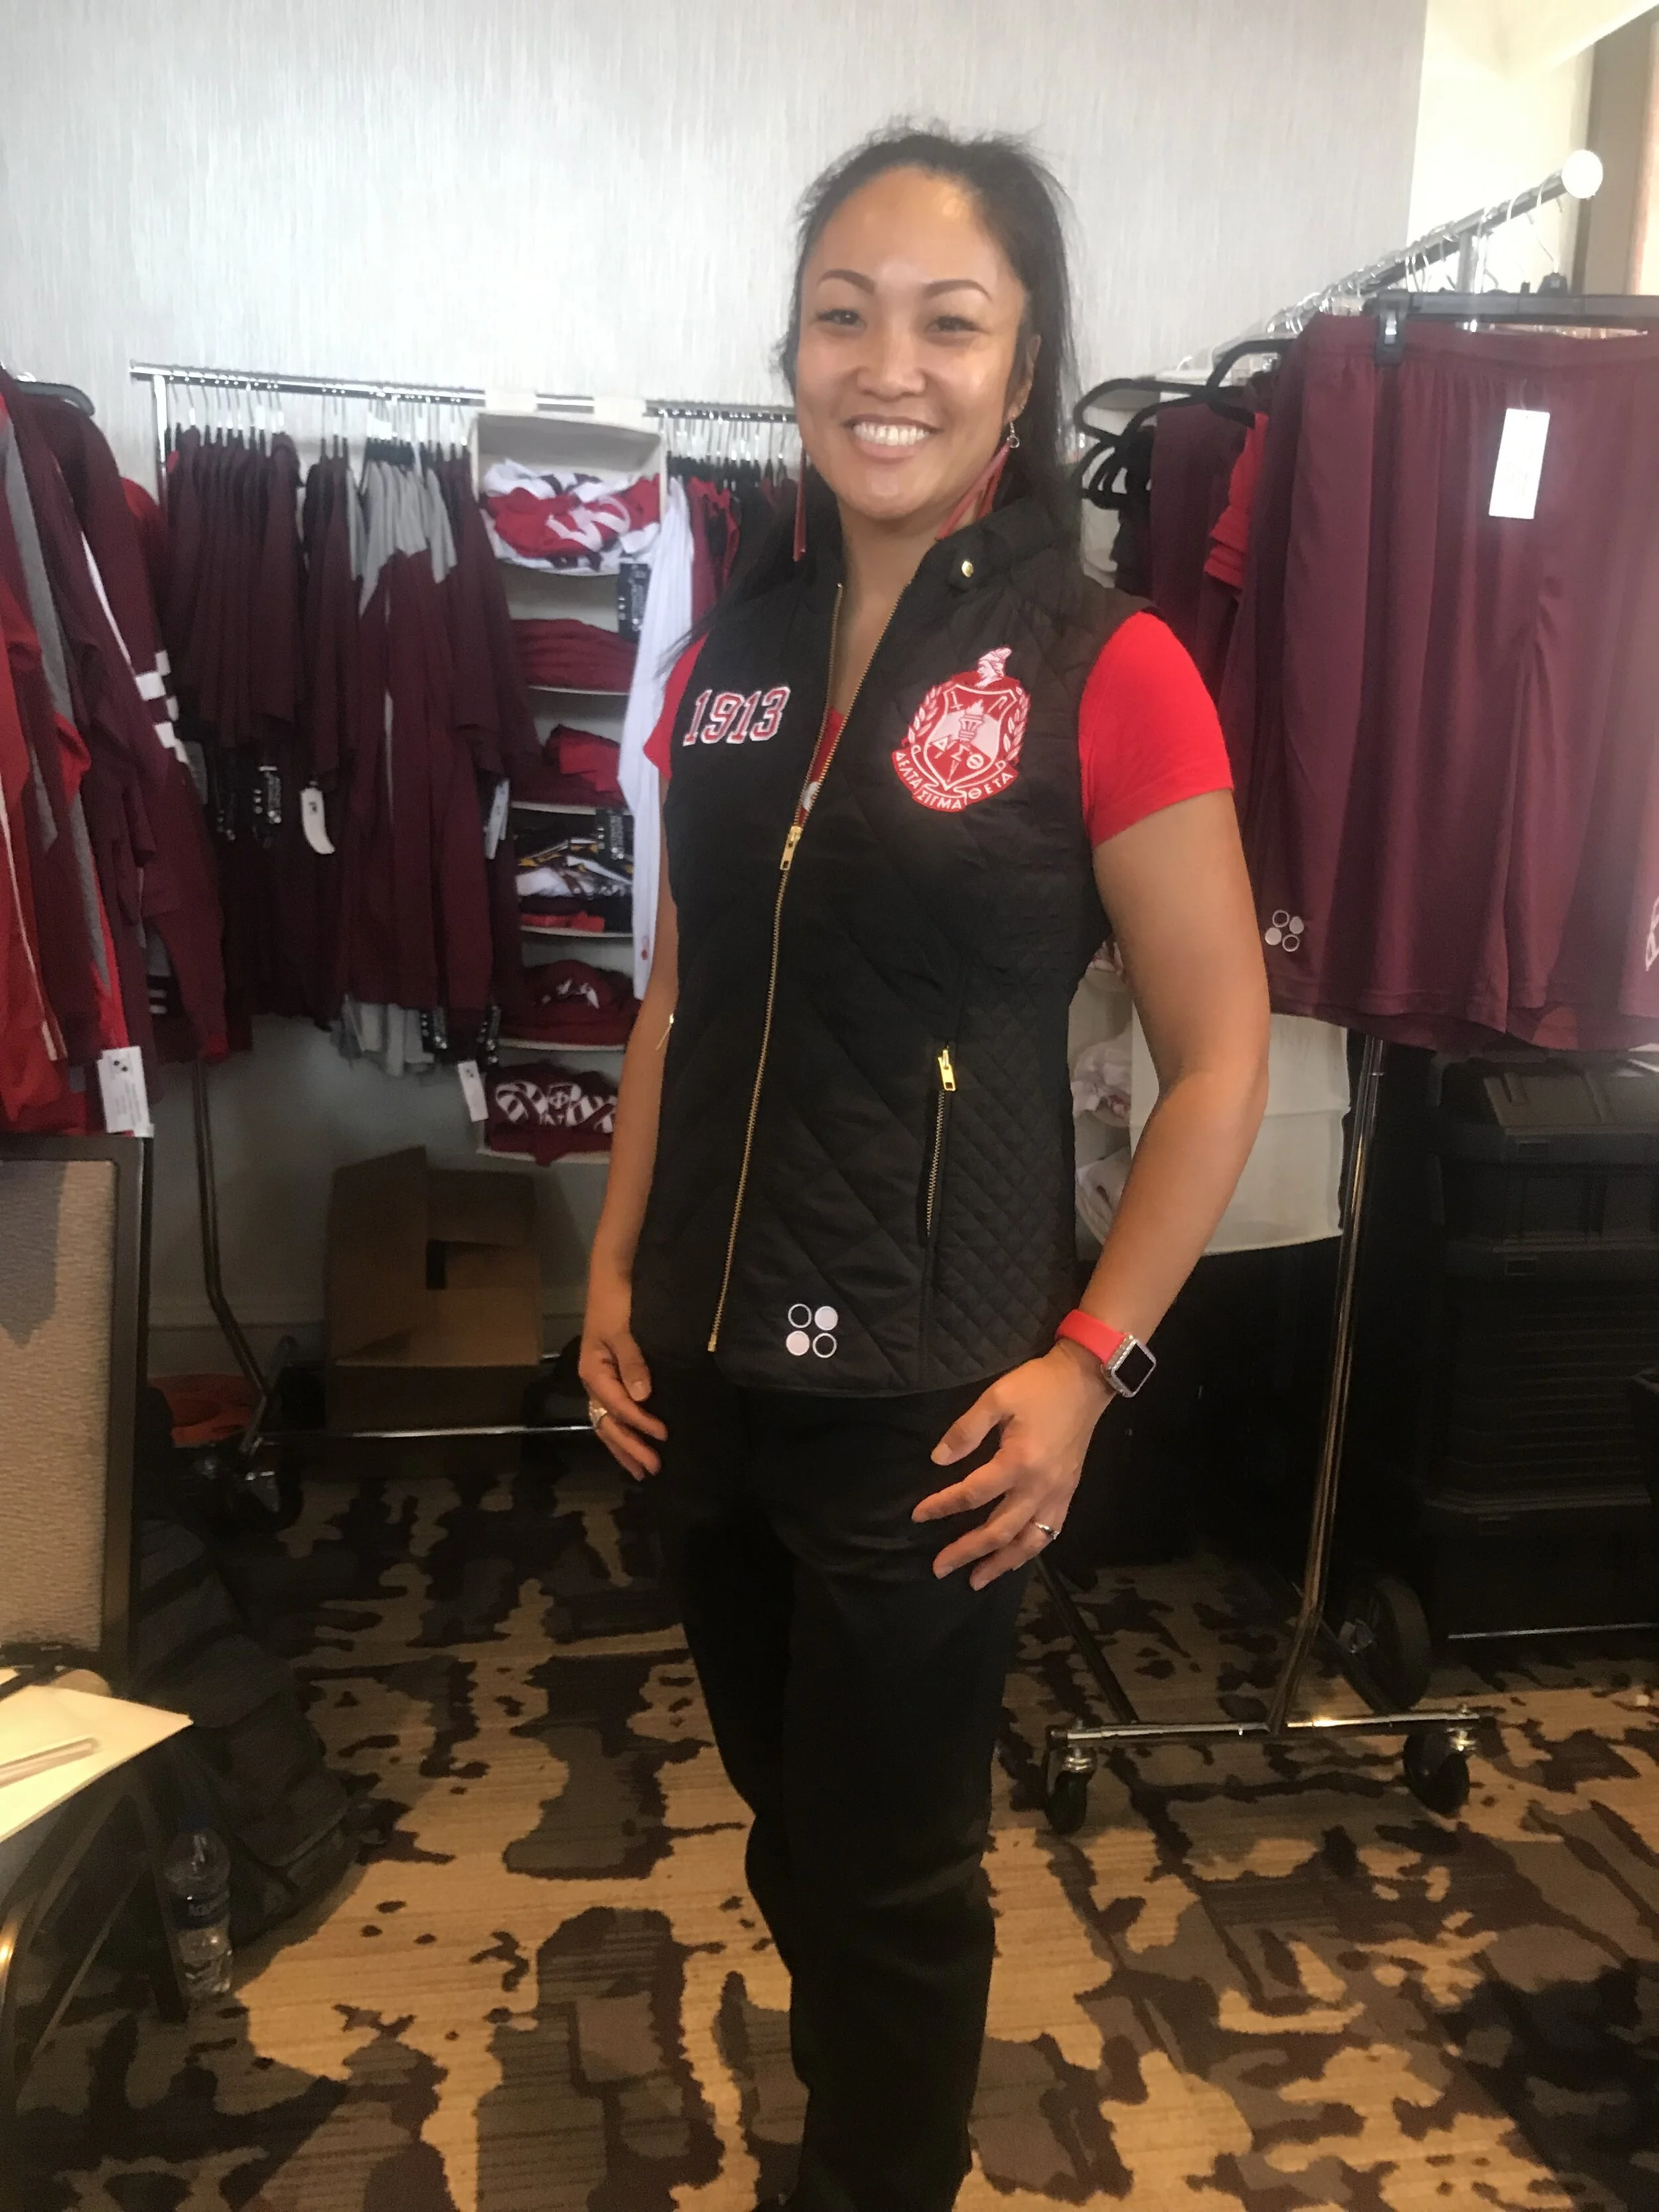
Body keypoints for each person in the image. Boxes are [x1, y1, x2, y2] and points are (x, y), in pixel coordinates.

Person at [581, 127, 1270, 2212]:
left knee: (888, 1877)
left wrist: (1089, 1363)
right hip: (703, 1378)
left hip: (934, 1403)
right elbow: (677, 998)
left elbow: (1218, 1055)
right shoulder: (729, 657)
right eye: (843, 315)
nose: (887, 365)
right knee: (793, 1830)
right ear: (792, 348)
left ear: (1020, 363)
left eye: (946, 322)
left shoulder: (1107, 665)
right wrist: (612, 1268)